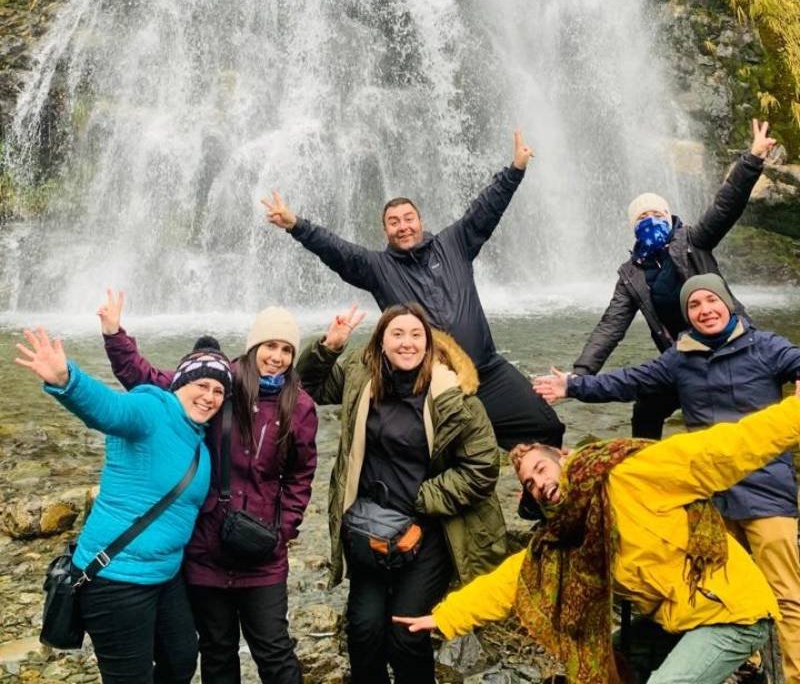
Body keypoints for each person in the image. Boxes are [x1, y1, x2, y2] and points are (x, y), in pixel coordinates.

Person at [393, 393, 800, 684]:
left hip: (734, 614)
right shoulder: (569, 530)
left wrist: (795, 412)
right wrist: (446, 617)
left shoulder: (631, 474)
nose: (538, 483)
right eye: (529, 483)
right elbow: (515, 579)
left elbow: (728, 448)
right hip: (676, 620)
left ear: (565, 457)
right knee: (596, 667)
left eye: (540, 468)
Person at [533, 273, 800, 682]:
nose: (705, 310)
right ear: (686, 315)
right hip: (711, 495)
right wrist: (573, 386)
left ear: (728, 303)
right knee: (724, 583)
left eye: (712, 301)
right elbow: (629, 381)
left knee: (785, 595)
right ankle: (748, 665)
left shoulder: (765, 346)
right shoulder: (681, 357)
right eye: (695, 305)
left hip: (765, 488)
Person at [262, 130, 564, 451]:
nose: (403, 226)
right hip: (427, 384)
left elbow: (486, 209)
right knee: (440, 454)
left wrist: (515, 169)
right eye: (394, 222)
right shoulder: (377, 268)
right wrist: (296, 225)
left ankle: (532, 482)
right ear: (385, 230)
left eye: (408, 218)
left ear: (420, 221)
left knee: (545, 426)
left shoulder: (454, 243)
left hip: (485, 369)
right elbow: (336, 250)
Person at [97, 292, 318, 684]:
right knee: (216, 649)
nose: (277, 356)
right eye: (270, 345)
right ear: (254, 346)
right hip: (206, 548)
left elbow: (301, 475)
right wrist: (116, 336)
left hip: (264, 552)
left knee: (274, 649)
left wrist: (284, 530)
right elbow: (151, 380)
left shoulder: (298, 406)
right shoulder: (219, 383)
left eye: (286, 349)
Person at [295, 302, 507, 684]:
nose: (407, 343)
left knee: (405, 632)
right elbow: (308, 387)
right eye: (397, 334)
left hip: (428, 530)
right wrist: (329, 345)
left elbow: (482, 468)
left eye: (415, 335)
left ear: (428, 344)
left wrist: (420, 499)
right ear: (381, 342)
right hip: (371, 529)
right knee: (363, 631)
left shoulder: (454, 397)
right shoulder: (362, 379)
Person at [15, 327, 232, 684]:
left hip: (166, 576)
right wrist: (67, 380)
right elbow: (109, 409)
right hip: (116, 578)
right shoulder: (151, 408)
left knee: (180, 660)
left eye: (218, 390)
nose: (209, 397)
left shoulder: (200, 441)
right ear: (180, 383)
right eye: (202, 385)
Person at [572, 119, 776, 440]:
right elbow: (609, 327)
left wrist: (752, 159)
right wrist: (578, 376)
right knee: (647, 407)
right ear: (632, 227)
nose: (649, 220)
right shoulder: (631, 274)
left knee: (744, 421)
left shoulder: (693, 241)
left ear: (668, 218)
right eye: (641, 217)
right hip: (684, 356)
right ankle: (650, 466)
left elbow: (725, 206)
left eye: (656, 215)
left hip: (731, 344)